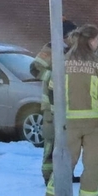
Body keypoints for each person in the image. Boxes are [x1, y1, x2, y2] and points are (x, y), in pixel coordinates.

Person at [37, 25, 98, 196]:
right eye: (97, 40)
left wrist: (57, 114)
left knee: (64, 164)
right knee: (92, 166)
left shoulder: (62, 62)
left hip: (69, 124)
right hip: (97, 126)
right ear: (91, 41)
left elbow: (51, 92)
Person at [29, 19, 79, 185]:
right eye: (74, 35)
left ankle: (65, 173)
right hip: (51, 107)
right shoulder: (51, 48)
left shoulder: (72, 51)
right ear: (67, 35)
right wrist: (54, 79)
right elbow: (35, 68)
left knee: (67, 142)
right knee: (51, 142)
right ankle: (48, 176)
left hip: (67, 106)